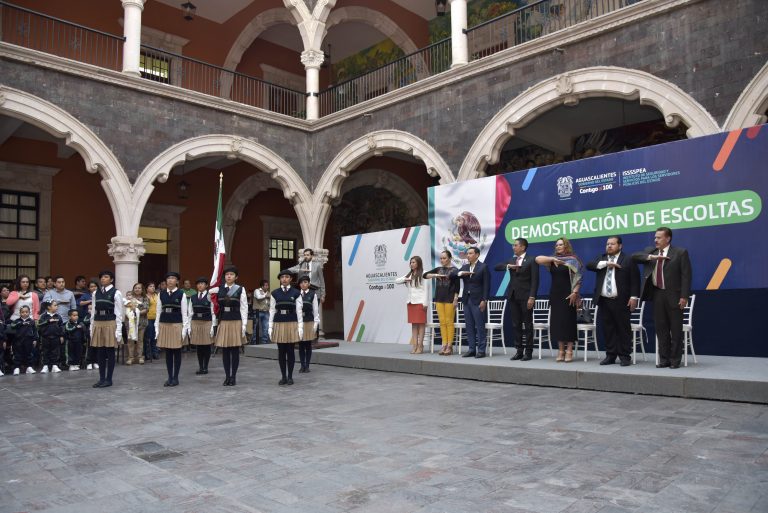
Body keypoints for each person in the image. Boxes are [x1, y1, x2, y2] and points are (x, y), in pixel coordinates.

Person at [632, 227, 692, 369]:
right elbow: (633, 257)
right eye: (655, 237)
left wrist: (684, 296)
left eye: (659, 238)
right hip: (657, 294)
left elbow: (686, 276)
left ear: (668, 238)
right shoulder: (651, 252)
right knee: (661, 329)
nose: (655, 240)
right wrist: (651, 257)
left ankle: (675, 360)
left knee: (675, 329)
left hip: (675, 296)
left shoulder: (680, 252)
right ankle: (664, 359)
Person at [587, 236, 640, 367]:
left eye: (612, 244)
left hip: (622, 300)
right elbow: (589, 265)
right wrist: (606, 264)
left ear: (620, 246)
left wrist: (634, 297)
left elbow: (635, 280)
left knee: (623, 329)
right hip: (604, 300)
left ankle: (624, 356)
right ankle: (610, 355)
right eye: (607, 244)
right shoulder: (602, 258)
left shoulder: (628, 259)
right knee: (608, 329)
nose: (609, 246)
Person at [536, 238, 583, 362]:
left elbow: (578, 278)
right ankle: (561, 350)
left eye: (561, 244)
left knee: (568, 323)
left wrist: (575, 292)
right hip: (555, 295)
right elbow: (537, 259)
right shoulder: (552, 261)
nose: (558, 247)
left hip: (569, 294)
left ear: (566, 246)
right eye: (556, 245)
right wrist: (552, 259)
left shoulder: (573, 259)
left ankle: (569, 351)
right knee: (557, 324)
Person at [494, 238, 540, 361]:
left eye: (515, 245)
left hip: (526, 297)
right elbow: (497, 267)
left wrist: (532, 296)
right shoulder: (512, 260)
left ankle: (528, 351)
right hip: (513, 296)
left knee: (528, 324)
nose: (513, 247)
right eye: (513, 245)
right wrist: (508, 266)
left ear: (523, 247)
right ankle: (519, 350)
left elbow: (535, 281)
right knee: (516, 325)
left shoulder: (531, 260)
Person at [213, 266, 248, 386]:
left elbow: (244, 307)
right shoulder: (219, 289)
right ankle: (227, 376)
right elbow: (212, 303)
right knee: (225, 351)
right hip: (224, 320)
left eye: (231, 274)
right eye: (227, 274)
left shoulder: (240, 289)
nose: (229, 276)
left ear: (236, 277)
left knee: (234, 350)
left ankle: (233, 376)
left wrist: (244, 325)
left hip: (235, 320)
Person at [90, 270, 123, 388]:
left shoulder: (116, 293)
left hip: (110, 322)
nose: (103, 279)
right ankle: (101, 378)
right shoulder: (95, 293)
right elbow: (93, 311)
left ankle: (109, 379)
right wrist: (91, 327)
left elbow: (119, 313)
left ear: (111, 279)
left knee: (109, 351)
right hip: (98, 322)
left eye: (106, 277)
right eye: (101, 277)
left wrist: (118, 330)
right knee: (100, 352)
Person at [155, 272, 189, 387]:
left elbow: (185, 313)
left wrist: (184, 329)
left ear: (177, 281)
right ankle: (169, 377)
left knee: (176, 352)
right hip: (164, 323)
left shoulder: (181, 294)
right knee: (168, 352)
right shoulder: (161, 294)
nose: (170, 280)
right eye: (168, 278)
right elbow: (158, 312)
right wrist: (157, 328)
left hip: (176, 324)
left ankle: (176, 377)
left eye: (173, 278)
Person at [269, 270, 302, 385]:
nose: (284, 279)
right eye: (282, 277)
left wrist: (300, 326)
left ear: (291, 279)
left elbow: (299, 311)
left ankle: (290, 376)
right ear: (280, 279)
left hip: (292, 322)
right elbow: (272, 310)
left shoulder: (296, 293)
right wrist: (270, 326)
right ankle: (283, 376)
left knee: (290, 350)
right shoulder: (274, 293)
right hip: (279, 322)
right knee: (281, 351)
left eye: (287, 277)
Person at [423, 250, 460, 355]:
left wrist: (455, 298)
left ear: (450, 258)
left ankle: (449, 345)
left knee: (449, 322)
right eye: (441, 258)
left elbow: (457, 286)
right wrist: (434, 275)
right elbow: (425, 275)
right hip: (439, 298)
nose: (442, 260)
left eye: (444, 258)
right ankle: (444, 344)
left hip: (449, 298)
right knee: (442, 322)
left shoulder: (454, 270)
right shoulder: (438, 269)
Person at [458, 247, 490, 358]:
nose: (468, 255)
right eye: (467, 254)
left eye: (470, 253)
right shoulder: (465, 267)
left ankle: (481, 350)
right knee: (469, 326)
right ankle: (472, 349)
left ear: (477, 255)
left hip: (478, 300)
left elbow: (487, 285)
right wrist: (461, 273)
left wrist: (484, 300)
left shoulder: (483, 267)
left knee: (480, 326)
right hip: (466, 300)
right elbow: (454, 275)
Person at [395, 256, 430, 354]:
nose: (411, 264)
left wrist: (425, 303)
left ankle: (420, 345)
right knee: (414, 325)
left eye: (413, 262)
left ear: (418, 263)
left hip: (420, 302)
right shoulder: (409, 274)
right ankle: (414, 345)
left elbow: (426, 289)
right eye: (411, 262)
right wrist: (406, 279)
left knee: (421, 325)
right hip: (410, 302)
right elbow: (396, 281)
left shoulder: (424, 273)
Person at [189, 277, 214, 375]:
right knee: (199, 346)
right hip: (196, 321)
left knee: (206, 345)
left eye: (202, 283)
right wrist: (189, 326)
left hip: (207, 321)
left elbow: (213, 312)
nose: (200, 285)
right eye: (198, 284)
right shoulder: (193, 297)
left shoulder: (210, 296)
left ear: (206, 285)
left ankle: (206, 367)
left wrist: (213, 325)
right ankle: (200, 367)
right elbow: (190, 312)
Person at [297, 275, 319, 373]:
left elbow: (315, 310)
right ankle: (302, 365)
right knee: (301, 345)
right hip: (299, 321)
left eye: (305, 282)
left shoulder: (312, 294)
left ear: (309, 284)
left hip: (309, 321)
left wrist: (316, 323)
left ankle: (307, 365)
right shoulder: (296, 294)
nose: (303, 284)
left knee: (308, 345)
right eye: (301, 283)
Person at [124, 283, 149, 365]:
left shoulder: (145, 298)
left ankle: (140, 357)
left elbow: (146, 310)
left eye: (139, 288)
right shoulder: (130, 298)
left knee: (140, 340)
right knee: (130, 340)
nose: (137, 289)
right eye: (135, 288)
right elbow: (126, 307)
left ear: (142, 290)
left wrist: (136, 313)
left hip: (141, 323)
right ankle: (130, 357)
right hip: (130, 322)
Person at [38, 299, 64, 373]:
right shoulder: (43, 316)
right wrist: (47, 321)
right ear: (49, 307)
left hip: (56, 337)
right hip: (45, 337)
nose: (57, 307)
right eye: (55, 305)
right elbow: (39, 325)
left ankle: (54, 365)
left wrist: (61, 335)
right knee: (45, 351)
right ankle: (45, 365)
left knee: (55, 351)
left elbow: (61, 326)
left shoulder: (58, 316)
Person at [11, 305, 38, 375]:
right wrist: (20, 323)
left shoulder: (31, 321)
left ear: (29, 312)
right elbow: (12, 326)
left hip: (28, 340)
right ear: (20, 313)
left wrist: (35, 339)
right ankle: (17, 367)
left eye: (26, 312)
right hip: (18, 340)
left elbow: (35, 331)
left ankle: (29, 367)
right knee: (18, 354)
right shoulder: (17, 321)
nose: (24, 313)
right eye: (22, 312)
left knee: (29, 354)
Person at [81, 279, 99, 370]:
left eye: (95, 286)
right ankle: (89, 362)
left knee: (97, 345)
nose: (93, 288)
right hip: (89, 324)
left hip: (98, 321)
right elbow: (80, 303)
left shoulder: (100, 295)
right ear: (88, 288)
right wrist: (90, 302)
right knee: (90, 344)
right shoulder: (86, 295)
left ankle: (95, 361)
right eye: (91, 286)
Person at [144, 281, 160, 360]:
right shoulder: (145, 297)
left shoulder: (157, 295)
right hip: (148, 318)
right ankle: (147, 353)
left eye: (153, 286)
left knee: (155, 336)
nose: (152, 288)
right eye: (150, 286)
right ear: (147, 288)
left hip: (156, 318)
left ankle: (155, 352)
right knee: (148, 337)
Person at [252, 279, 270, 344]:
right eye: (266, 285)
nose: (267, 287)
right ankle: (254, 341)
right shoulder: (257, 291)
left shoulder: (268, 293)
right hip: (258, 312)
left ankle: (264, 342)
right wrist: (266, 296)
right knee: (256, 327)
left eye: (267, 285)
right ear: (262, 286)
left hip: (266, 312)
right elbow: (258, 297)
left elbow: (268, 302)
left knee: (266, 328)